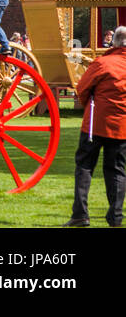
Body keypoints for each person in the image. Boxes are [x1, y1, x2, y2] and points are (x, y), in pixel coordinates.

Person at [66, 25, 126, 227]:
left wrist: (87, 104)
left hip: (95, 123)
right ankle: (115, 217)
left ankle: (80, 214)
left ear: (114, 42)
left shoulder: (103, 62)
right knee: (117, 171)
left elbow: (82, 88)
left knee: (84, 166)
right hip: (121, 127)